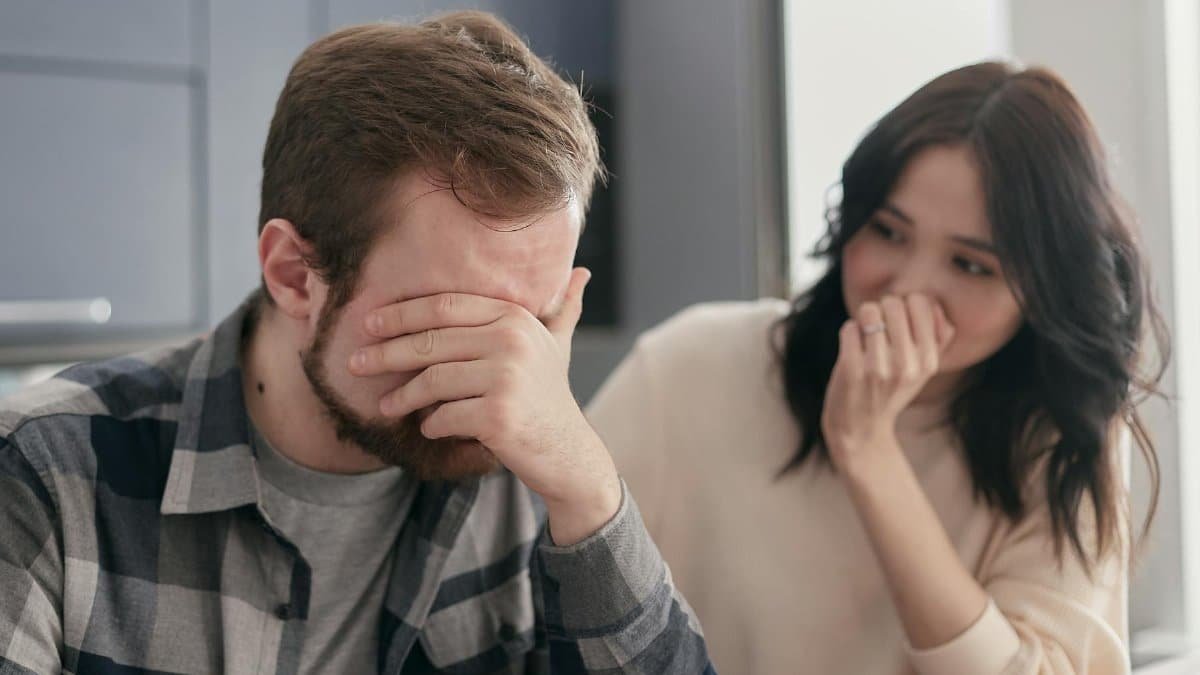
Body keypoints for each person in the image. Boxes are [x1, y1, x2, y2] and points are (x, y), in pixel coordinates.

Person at [0, 12, 713, 675]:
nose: (505, 374)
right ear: (294, 276)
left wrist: (588, 484)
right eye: (452, 319)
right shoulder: (44, 476)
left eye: (539, 318)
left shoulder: (531, 481)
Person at [588, 61, 1166, 675]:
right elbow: (531, 601)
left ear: (1045, 294)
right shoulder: (692, 366)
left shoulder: (1065, 438)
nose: (908, 288)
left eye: (971, 266)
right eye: (888, 232)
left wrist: (867, 449)